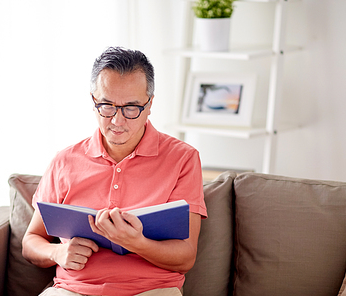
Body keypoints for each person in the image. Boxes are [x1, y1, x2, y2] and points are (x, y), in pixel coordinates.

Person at [22, 47, 207, 296]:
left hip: (150, 290)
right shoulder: (65, 160)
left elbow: (186, 258)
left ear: (150, 103)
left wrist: (136, 243)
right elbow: (31, 241)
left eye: (131, 108)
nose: (117, 121)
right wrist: (57, 253)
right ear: (94, 101)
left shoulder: (183, 158)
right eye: (107, 105)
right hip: (72, 290)